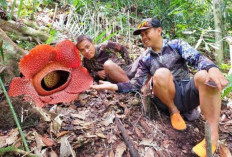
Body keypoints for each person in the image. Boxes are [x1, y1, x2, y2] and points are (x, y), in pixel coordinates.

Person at [91, 18, 229, 157]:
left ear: (159, 30)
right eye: (142, 35)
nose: (144, 37)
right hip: (166, 98)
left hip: (186, 92)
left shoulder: (176, 45)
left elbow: (195, 57)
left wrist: (211, 68)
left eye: (146, 32)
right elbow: (137, 83)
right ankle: (174, 112)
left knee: (204, 76)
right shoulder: (146, 58)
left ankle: (212, 136)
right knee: (161, 73)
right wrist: (114, 86)